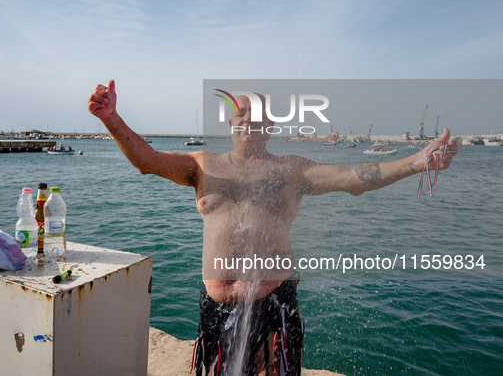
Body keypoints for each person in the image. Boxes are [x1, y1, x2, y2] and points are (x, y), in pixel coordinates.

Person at [87, 80, 458, 376]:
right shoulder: (202, 164)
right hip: (215, 307)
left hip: (272, 304)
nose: (249, 119)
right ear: (230, 123)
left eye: (258, 114)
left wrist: (417, 162)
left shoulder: (291, 170)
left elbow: (353, 178)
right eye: (241, 113)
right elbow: (147, 161)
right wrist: (110, 117)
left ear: (271, 125)